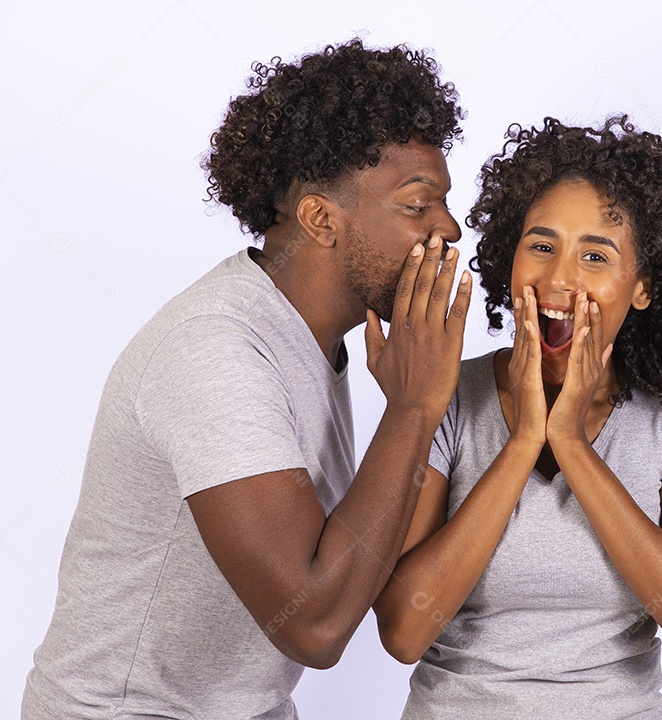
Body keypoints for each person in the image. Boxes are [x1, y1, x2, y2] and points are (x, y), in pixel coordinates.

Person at [22, 40, 472, 719]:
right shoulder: (214, 351)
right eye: (419, 205)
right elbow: (314, 625)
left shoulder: (312, 336)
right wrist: (412, 409)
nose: (449, 229)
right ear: (321, 219)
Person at [373, 116, 662, 718]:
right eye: (542, 246)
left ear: (643, 288)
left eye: (596, 256)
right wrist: (525, 439)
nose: (559, 279)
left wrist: (572, 445)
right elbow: (402, 631)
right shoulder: (447, 396)